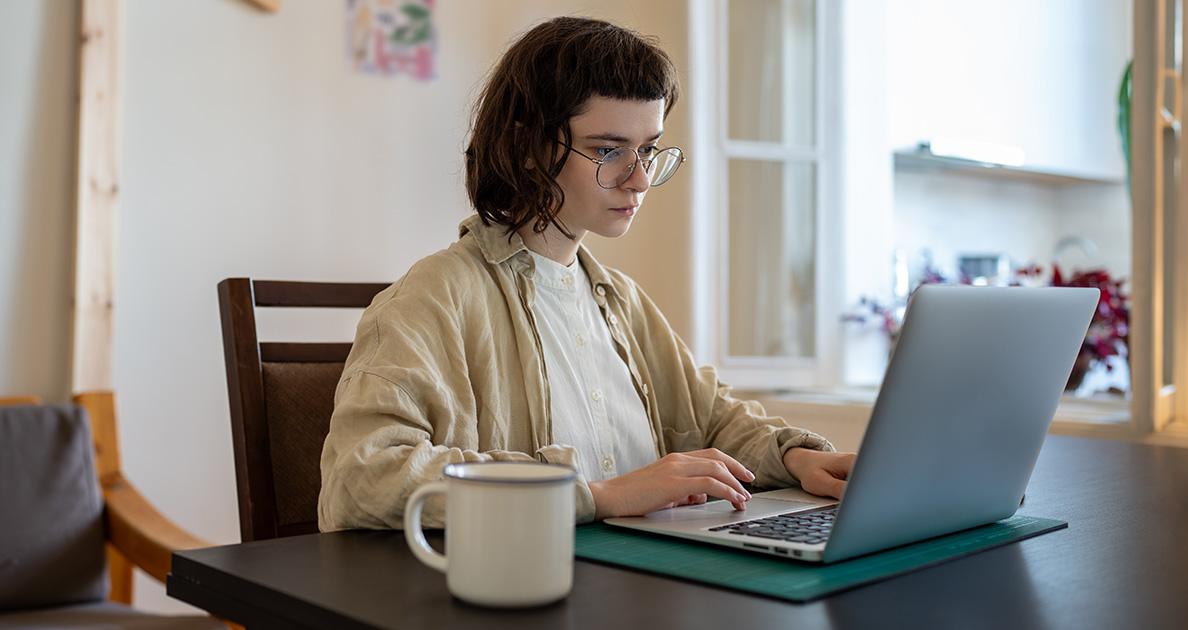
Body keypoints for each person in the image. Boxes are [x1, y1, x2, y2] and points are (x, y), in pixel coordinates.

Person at [317, 16, 855, 531]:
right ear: (530, 147)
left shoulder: (622, 302)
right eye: (607, 150)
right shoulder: (432, 298)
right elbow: (362, 477)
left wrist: (799, 457)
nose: (639, 180)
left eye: (647, 149)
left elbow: (714, 420)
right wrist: (596, 496)